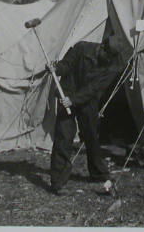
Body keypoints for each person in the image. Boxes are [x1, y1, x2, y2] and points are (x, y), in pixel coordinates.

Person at [48, 35, 125, 194]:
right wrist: (56, 68)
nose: (108, 59)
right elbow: (66, 65)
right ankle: (58, 183)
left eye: (111, 57)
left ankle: (98, 173)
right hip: (66, 95)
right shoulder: (82, 48)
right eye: (107, 55)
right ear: (102, 47)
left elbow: (94, 88)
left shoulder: (113, 65)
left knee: (91, 136)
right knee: (64, 136)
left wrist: (74, 100)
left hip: (86, 101)